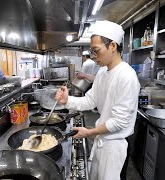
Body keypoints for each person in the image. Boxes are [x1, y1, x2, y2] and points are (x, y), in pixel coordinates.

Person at [55, 20, 140, 180]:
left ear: (113, 46)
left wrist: (90, 132)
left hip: (114, 147)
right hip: (101, 141)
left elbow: (119, 122)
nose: (94, 56)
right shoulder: (102, 73)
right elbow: (90, 100)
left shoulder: (127, 76)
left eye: (97, 50)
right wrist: (67, 100)